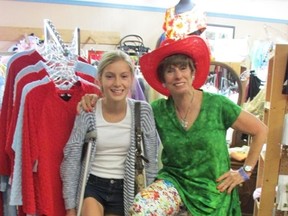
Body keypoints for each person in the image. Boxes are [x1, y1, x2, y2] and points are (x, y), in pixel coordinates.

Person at [79, 35, 268, 215]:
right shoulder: (156, 110)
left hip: (214, 189)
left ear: (192, 72)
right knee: (142, 208)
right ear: (163, 79)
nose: (178, 75)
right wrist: (96, 99)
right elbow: (123, 111)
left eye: (183, 68)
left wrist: (245, 172)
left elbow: (261, 130)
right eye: (170, 71)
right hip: (174, 184)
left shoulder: (217, 105)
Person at [60, 50, 159, 216]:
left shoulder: (142, 111)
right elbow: (72, 157)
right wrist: (70, 207)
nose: (117, 83)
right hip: (93, 185)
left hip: (126, 188)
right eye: (110, 76)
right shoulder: (88, 110)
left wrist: (145, 201)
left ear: (132, 80)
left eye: (124, 76)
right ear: (99, 80)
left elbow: (151, 162)